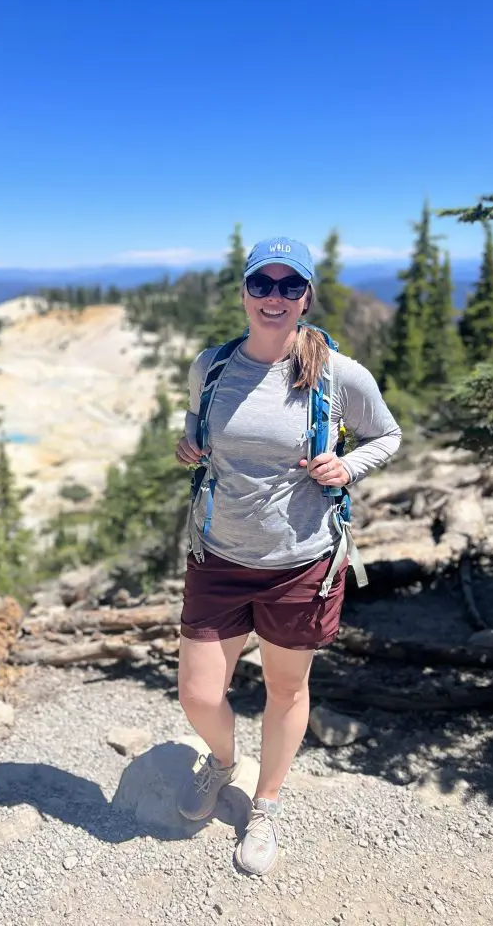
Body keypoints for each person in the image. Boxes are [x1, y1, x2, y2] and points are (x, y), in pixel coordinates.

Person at [174, 236, 401, 877]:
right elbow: (195, 424)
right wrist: (188, 444)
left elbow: (388, 434)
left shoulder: (336, 373)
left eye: (289, 286)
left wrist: (346, 465)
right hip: (218, 555)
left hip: (303, 562)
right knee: (198, 694)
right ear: (244, 292)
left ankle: (265, 803)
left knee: (285, 688)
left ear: (306, 296)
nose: (274, 297)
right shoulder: (211, 366)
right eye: (262, 284)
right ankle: (223, 762)